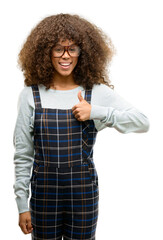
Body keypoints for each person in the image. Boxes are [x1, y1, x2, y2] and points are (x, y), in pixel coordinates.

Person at [13, 13, 150, 240]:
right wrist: (21, 204)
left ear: (82, 52)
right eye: (58, 49)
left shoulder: (94, 92)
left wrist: (95, 111)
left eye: (72, 49)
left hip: (83, 194)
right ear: (46, 52)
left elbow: (142, 121)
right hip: (43, 196)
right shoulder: (30, 95)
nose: (65, 56)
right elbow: (23, 154)